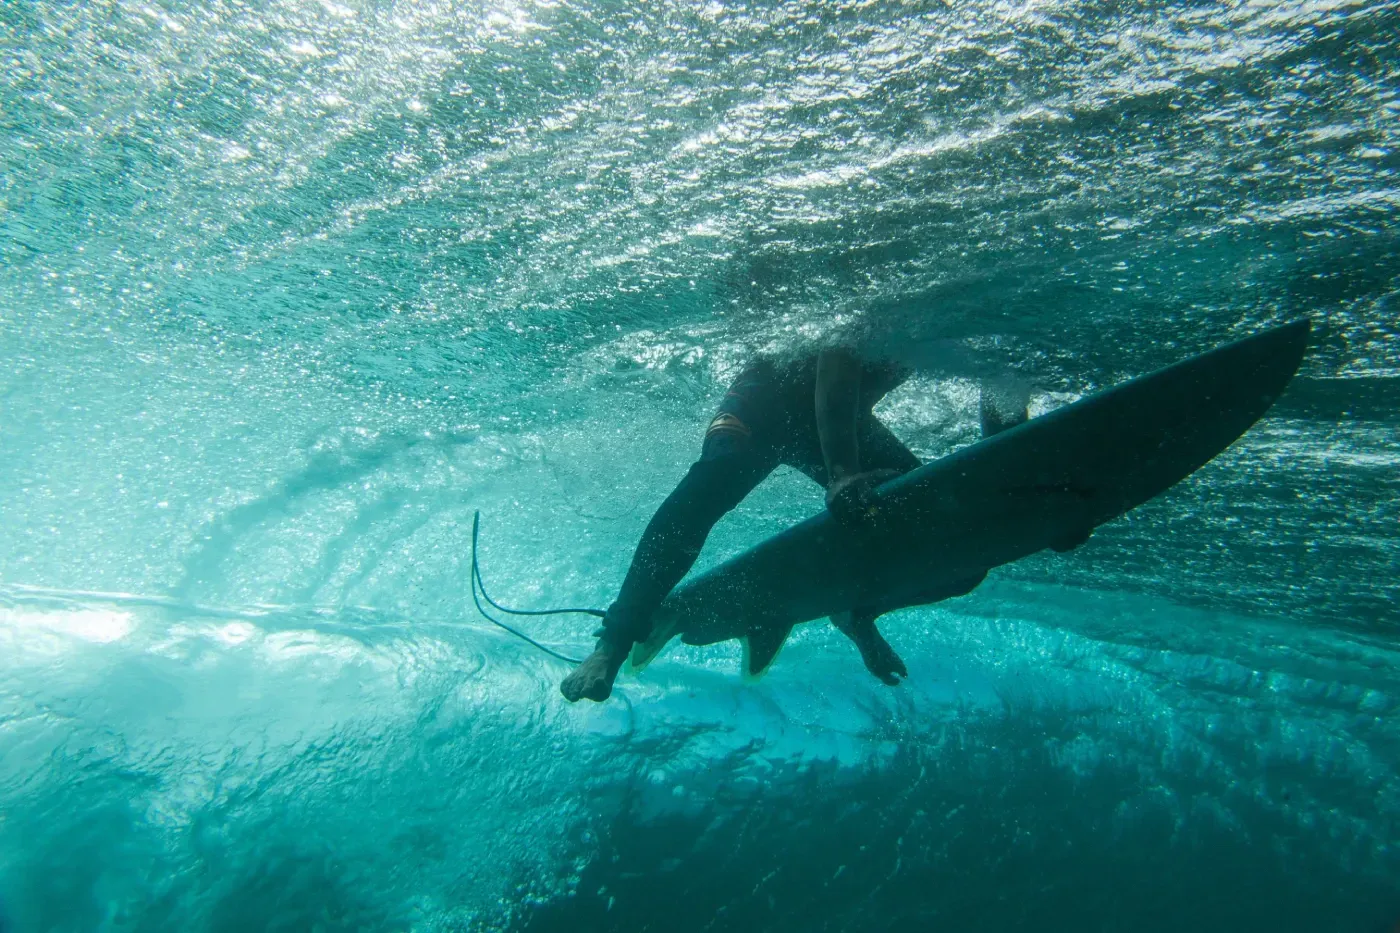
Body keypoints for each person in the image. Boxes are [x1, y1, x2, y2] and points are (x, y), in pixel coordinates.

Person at [562, 341, 989, 703]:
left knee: (961, 552)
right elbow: (835, 352)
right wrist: (843, 473)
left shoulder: (994, 316)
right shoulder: (909, 289)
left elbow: (1005, 391)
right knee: (706, 490)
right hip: (764, 402)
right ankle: (613, 644)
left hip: (836, 418)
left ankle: (858, 613)